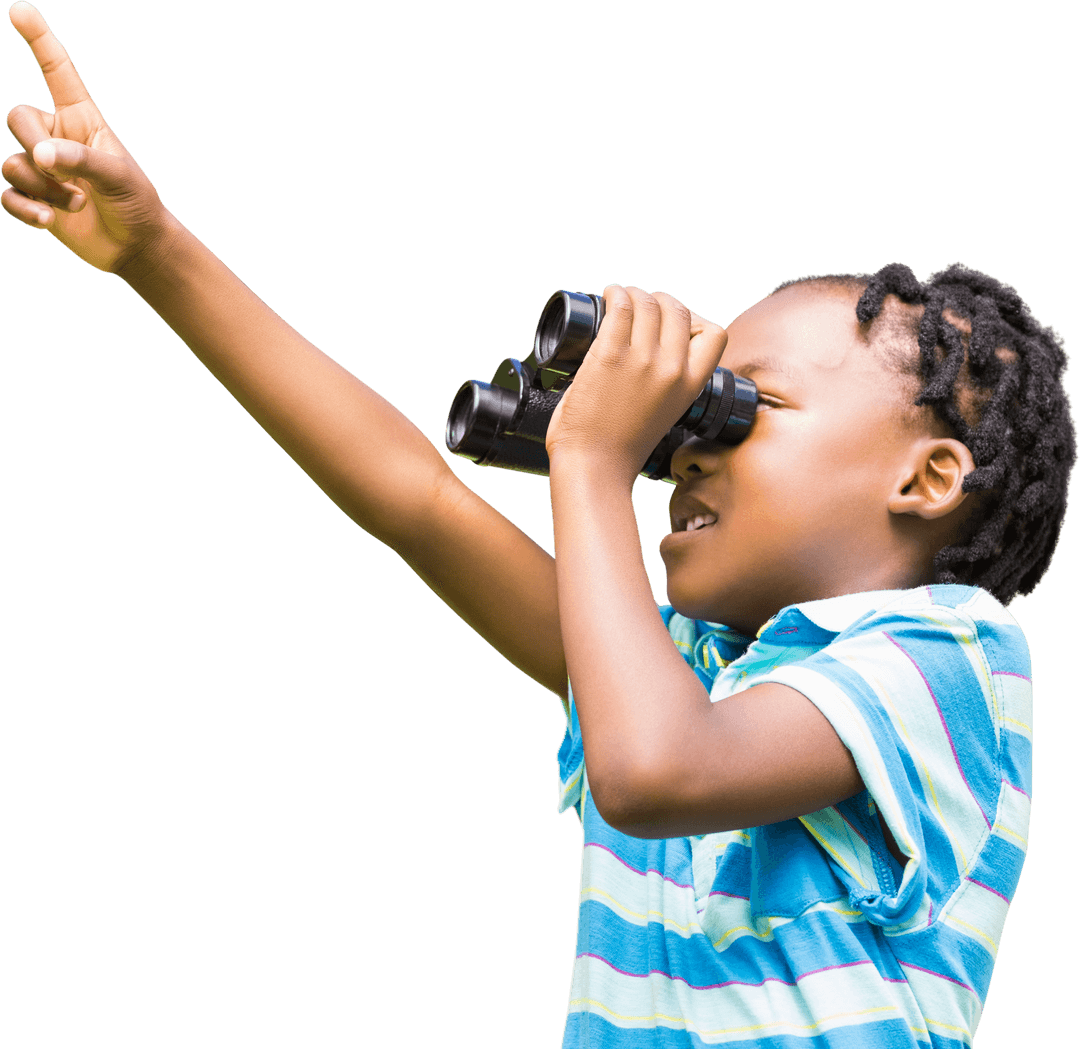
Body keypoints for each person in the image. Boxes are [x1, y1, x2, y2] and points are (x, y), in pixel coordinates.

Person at [3, 4, 1074, 1046]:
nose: (688, 447)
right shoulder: (681, 670)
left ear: (929, 476)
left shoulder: (954, 657)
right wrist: (156, 255)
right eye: (689, 417)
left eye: (747, 407)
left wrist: (596, 456)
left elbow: (657, 770)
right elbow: (414, 497)